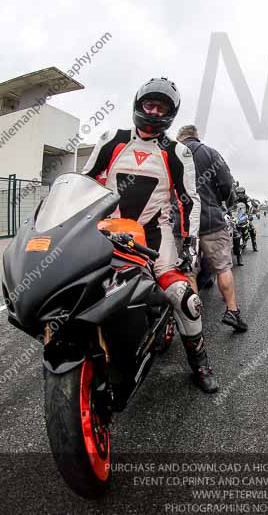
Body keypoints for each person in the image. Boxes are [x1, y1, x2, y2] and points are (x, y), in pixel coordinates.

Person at [82, 77, 218, 393]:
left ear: (171, 113)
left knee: (184, 297)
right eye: (150, 105)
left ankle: (200, 362)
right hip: (107, 232)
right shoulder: (111, 140)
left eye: (162, 108)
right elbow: (84, 182)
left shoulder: (177, 152)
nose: (155, 112)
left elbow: (189, 199)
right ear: (138, 105)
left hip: (156, 238)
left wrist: (191, 244)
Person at [176, 124, 248, 333]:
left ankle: (194, 319)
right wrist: (218, 202)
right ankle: (232, 312)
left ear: (180, 138)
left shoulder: (171, 152)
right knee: (223, 267)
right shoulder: (211, 153)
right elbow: (227, 185)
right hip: (210, 220)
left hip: (181, 222)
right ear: (196, 137)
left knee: (188, 270)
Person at [233, 186, 258, 252]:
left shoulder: (247, 199)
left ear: (244, 193)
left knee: (252, 229)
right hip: (237, 215)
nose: (240, 194)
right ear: (236, 193)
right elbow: (232, 207)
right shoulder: (235, 199)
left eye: (241, 193)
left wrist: (249, 214)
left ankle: (254, 245)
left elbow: (250, 206)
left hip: (245, 215)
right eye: (238, 193)